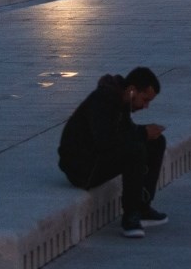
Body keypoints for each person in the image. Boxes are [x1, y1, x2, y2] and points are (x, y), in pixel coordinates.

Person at [58, 68, 168, 237]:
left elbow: (125, 131)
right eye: (145, 100)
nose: (146, 106)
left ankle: (143, 206)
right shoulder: (103, 100)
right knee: (135, 149)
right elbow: (105, 140)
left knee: (156, 142)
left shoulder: (121, 101)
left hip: (96, 157)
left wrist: (146, 132)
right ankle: (131, 215)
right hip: (83, 169)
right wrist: (143, 133)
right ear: (132, 91)